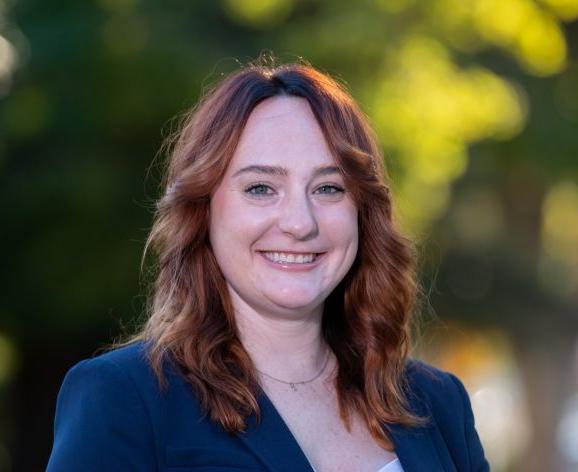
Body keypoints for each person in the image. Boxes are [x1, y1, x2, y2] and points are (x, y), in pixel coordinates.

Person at [46, 62, 489, 472]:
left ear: (362, 211)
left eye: (329, 188)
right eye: (261, 187)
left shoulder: (436, 403)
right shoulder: (125, 398)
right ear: (203, 209)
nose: (300, 223)